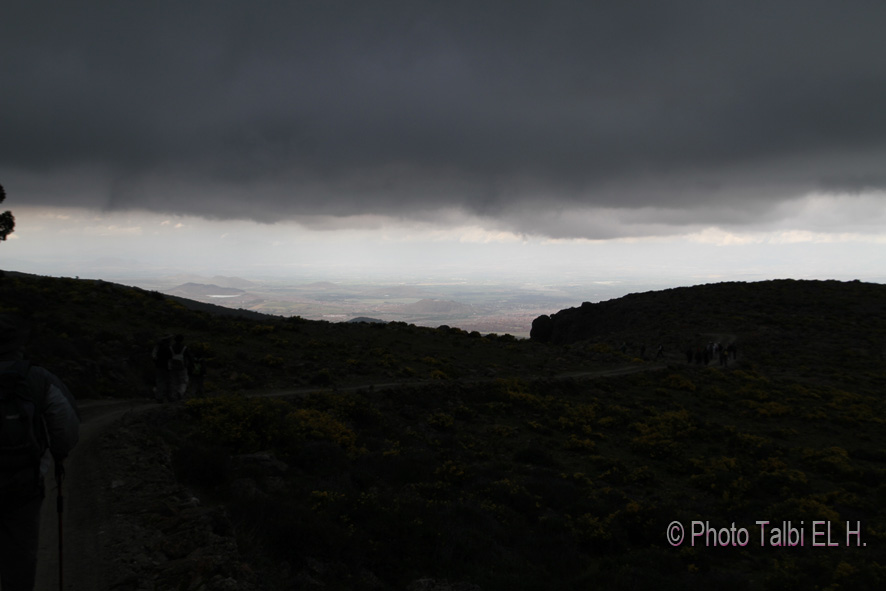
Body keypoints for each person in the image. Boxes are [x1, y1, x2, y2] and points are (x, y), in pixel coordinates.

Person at [0, 314, 79, 590]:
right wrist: (58, 455)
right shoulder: (37, 378)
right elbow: (65, 425)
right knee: (19, 554)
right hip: (23, 481)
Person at [169, 334, 193, 401]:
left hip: (173, 366)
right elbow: (190, 357)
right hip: (182, 367)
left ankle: (173, 395)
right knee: (183, 381)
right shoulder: (184, 348)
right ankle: (180, 392)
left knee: (174, 381)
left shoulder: (171, 348)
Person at [151, 334, 173, 402]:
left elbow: (153, 356)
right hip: (166, 367)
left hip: (158, 366)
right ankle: (169, 396)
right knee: (168, 382)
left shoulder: (157, 347)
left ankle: (159, 397)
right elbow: (170, 357)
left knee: (160, 382)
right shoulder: (168, 347)